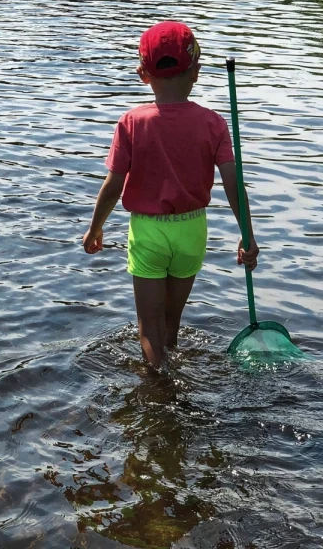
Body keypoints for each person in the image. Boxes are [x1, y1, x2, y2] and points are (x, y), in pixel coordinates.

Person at [82, 21, 260, 370]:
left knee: (149, 328)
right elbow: (232, 184)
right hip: (192, 231)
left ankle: (160, 393)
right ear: (197, 71)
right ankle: (173, 372)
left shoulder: (132, 122)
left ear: (142, 74)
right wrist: (247, 237)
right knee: (171, 323)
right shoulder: (213, 123)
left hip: (149, 232)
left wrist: (95, 228)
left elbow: (114, 184)